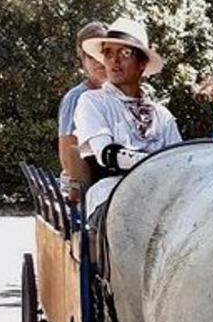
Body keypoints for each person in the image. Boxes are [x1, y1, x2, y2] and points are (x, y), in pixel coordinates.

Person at [73, 17, 182, 216]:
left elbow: (179, 161)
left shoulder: (162, 116)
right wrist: (159, 163)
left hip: (162, 198)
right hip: (111, 196)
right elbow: (106, 154)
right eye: (108, 53)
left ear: (142, 63)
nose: (114, 60)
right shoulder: (93, 102)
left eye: (125, 53)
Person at [57, 21, 109, 203]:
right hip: (83, 187)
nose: (98, 62)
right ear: (83, 60)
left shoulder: (120, 95)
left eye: (103, 55)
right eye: (91, 57)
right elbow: (67, 157)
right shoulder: (77, 97)